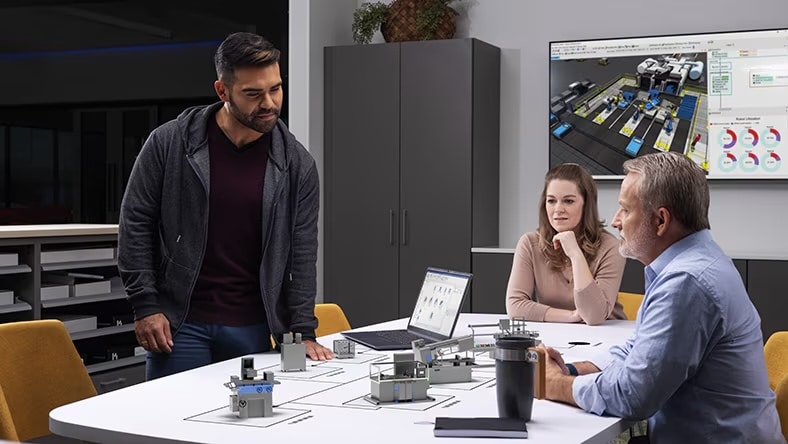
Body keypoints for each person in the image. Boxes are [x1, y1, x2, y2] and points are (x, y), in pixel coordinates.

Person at [118, 32, 333, 381]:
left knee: (245, 430)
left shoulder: (298, 164)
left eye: (275, 89)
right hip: (178, 325)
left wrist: (303, 332)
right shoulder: (169, 143)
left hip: (252, 327)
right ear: (222, 91)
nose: (269, 103)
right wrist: (145, 306)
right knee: (169, 427)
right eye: (253, 93)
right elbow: (135, 225)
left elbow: (302, 254)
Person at [542, 152, 786, 443]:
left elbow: (633, 395)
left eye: (625, 210)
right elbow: (638, 350)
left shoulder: (687, 282)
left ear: (660, 220)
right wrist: (571, 370)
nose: (616, 222)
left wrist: (555, 385)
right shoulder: (692, 261)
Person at [505, 163, 626, 325]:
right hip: (556, 336)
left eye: (568, 201)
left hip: (605, 336)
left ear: (586, 204)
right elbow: (515, 306)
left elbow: (593, 316)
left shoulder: (611, 247)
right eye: (551, 201)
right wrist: (571, 316)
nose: (558, 209)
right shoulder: (529, 243)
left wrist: (575, 254)